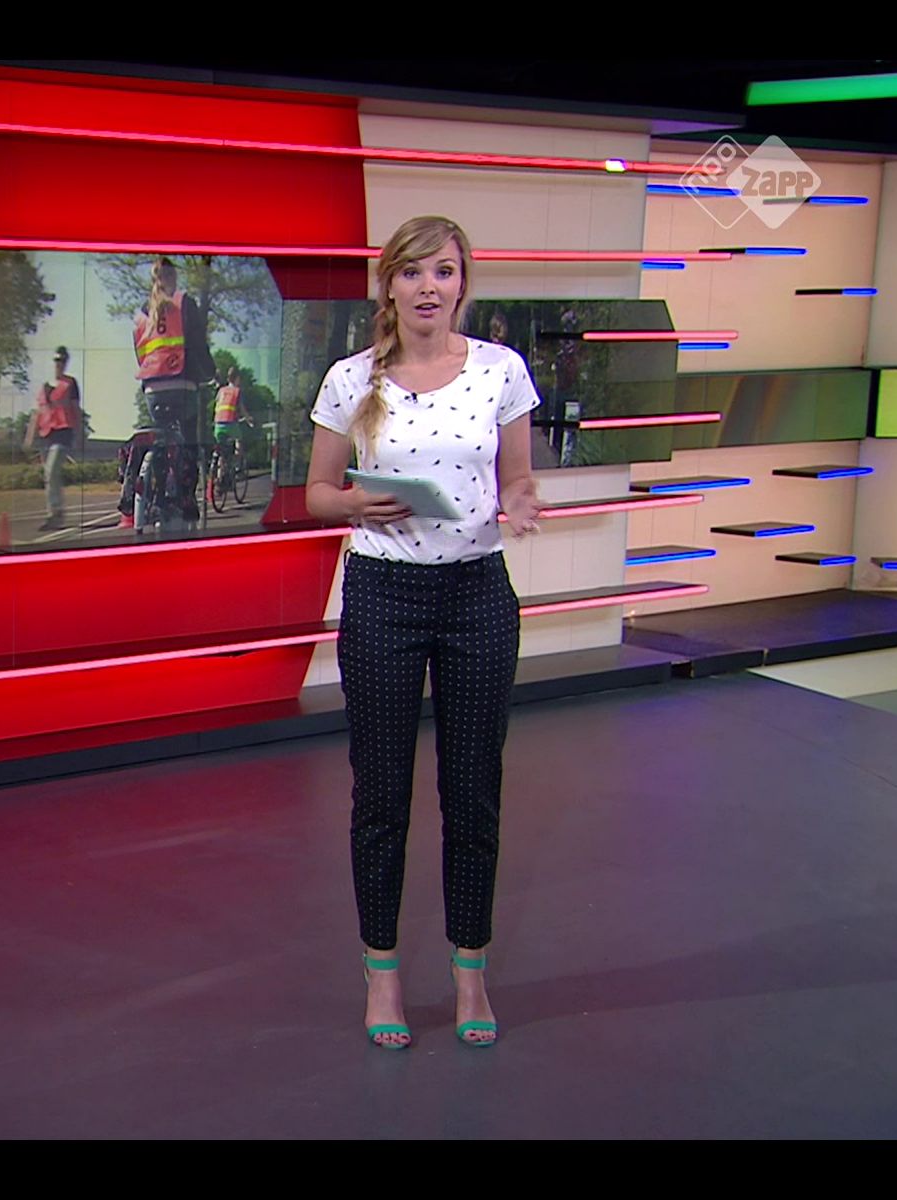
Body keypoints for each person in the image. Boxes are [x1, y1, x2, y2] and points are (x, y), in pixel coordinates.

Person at [303, 214, 543, 1050]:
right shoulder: (350, 378)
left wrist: (521, 504)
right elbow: (317, 493)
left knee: (473, 793)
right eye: (413, 273)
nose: (429, 287)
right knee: (381, 797)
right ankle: (383, 976)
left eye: (443, 271)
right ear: (390, 285)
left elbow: (517, 478)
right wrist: (355, 503)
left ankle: (470, 972)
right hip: (383, 595)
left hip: (478, 596)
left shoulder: (501, 371)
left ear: (463, 282)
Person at [120, 256, 214, 530]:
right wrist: (210, 372)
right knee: (189, 442)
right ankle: (186, 499)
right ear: (174, 277)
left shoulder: (142, 312)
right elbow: (198, 345)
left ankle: (157, 494)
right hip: (182, 385)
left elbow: (140, 353)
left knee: (161, 438)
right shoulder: (185, 303)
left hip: (152, 389)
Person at [24, 346, 83, 532]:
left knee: (51, 472)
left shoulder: (71, 384)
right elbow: (37, 413)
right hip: (46, 434)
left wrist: (80, 435)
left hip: (63, 432)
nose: (60, 364)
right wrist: (29, 438)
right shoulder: (45, 387)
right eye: (57, 360)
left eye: (63, 360)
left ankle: (55, 514)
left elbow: (76, 410)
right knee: (50, 476)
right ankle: (56, 512)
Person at [210, 365, 251, 486]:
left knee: (221, 451)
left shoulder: (221, 391)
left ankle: (219, 478)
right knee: (239, 440)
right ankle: (237, 466)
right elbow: (242, 409)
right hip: (231, 424)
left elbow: (217, 406)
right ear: (237, 378)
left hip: (218, 424)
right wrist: (248, 419)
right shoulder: (237, 391)